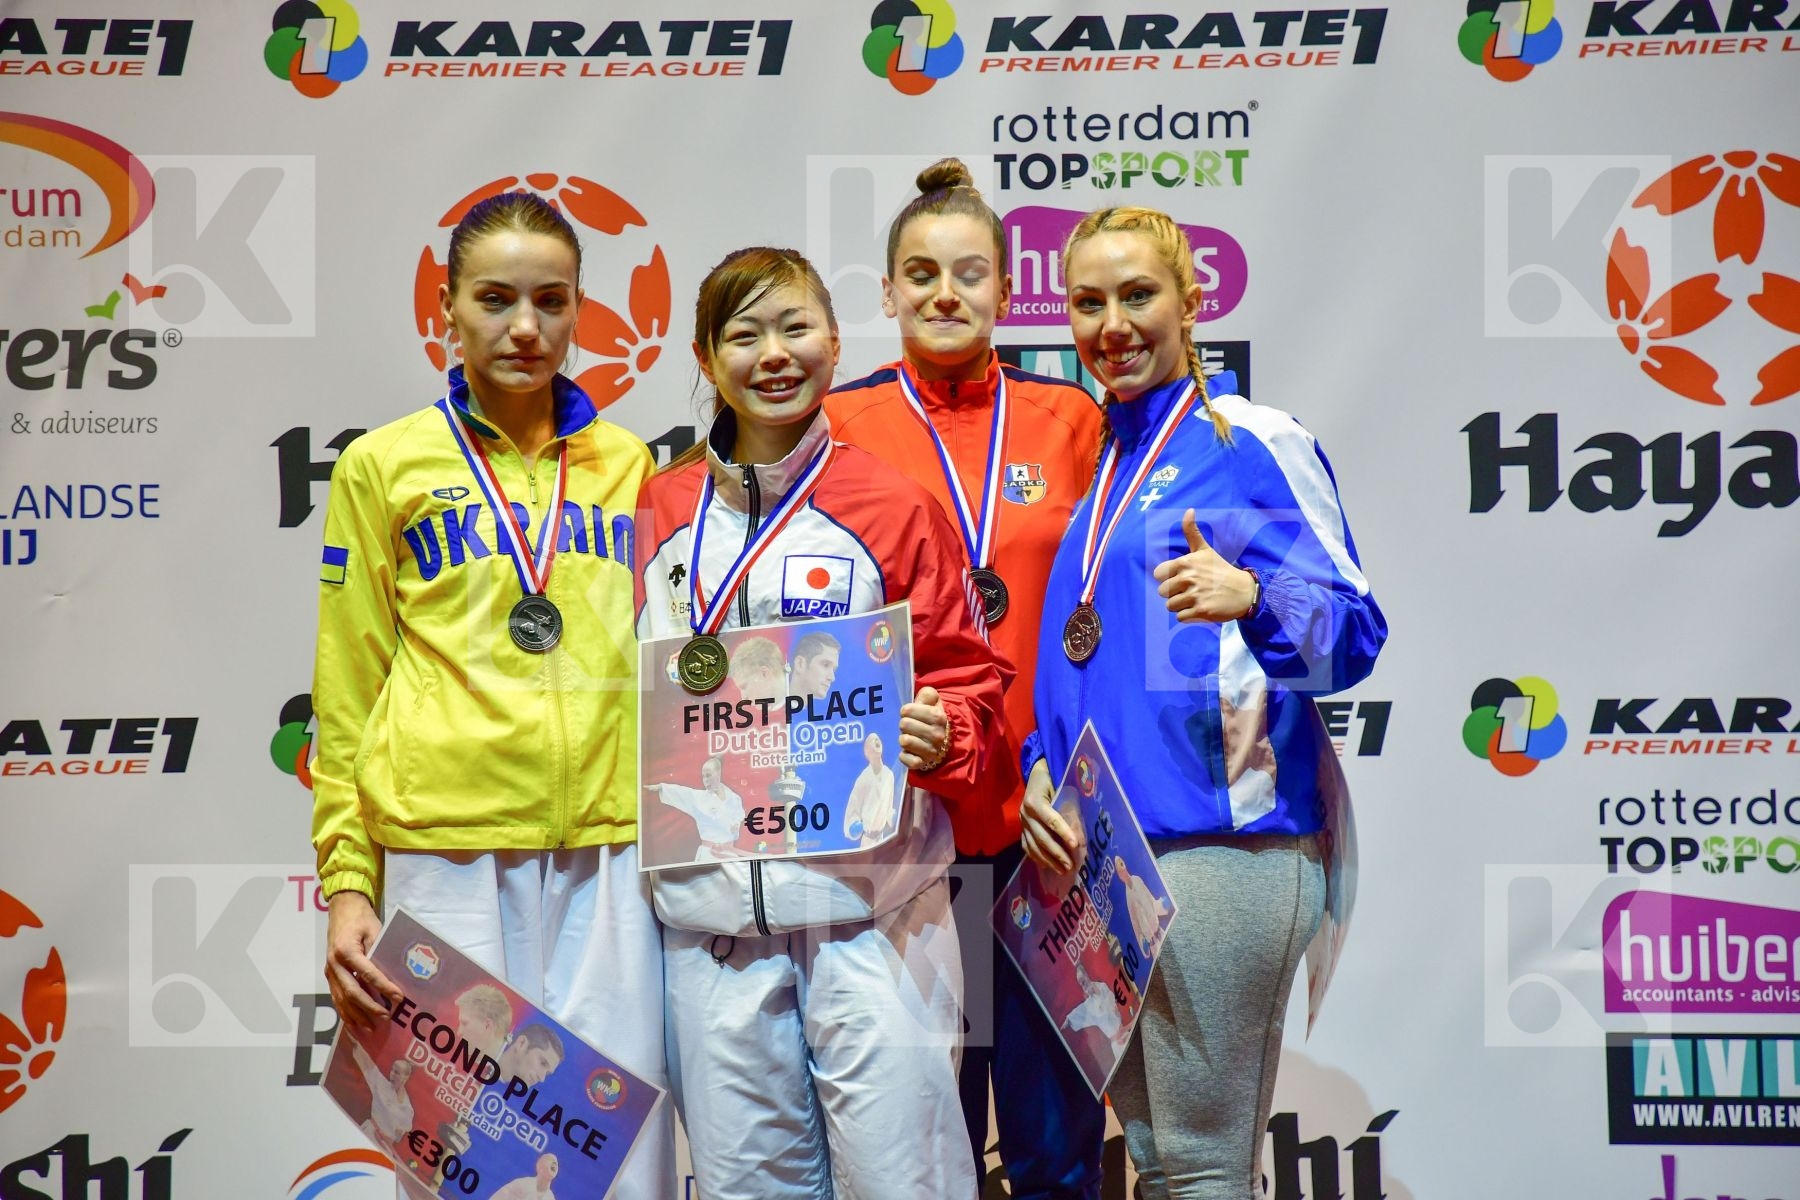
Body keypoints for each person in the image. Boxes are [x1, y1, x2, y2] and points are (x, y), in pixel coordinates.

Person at [309, 191, 672, 1198]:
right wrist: (349, 881)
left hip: (609, 854)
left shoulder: (630, 465)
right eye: (496, 299)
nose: (525, 327)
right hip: (446, 853)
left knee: (623, 1167)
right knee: (468, 1169)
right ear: (447, 307)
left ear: (579, 308)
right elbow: (347, 689)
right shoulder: (385, 466)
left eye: (552, 300)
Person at [1021, 206, 1386, 1200]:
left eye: (1138, 295)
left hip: (1226, 849)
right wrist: (1037, 774)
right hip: (1111, 863)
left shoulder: (1255, 440)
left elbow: (1355, 634)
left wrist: (1258, 596)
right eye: (1088, 302)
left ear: (1192, 301)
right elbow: (1075, 664)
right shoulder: (1102, 464)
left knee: (1200, 1166)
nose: (1113, 324)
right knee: (1160, 1163)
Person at [635, 246, 1013, 1200]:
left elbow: (968, 680)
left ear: (837, 343)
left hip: (872, 916)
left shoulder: (893, 504)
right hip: (714, 928)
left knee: (907, 1186)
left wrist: (944, 735)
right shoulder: (661, 506)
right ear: (704, 354)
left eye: (796, 327)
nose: (775, 354)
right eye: (745, 333)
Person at [826, 157, 1107, 1199]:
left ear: (1003, 286)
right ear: (889, 290)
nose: (947, 294)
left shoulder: (1069, 420)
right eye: (921, 273)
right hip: (909, 835)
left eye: (971, 273)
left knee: (1052, 1149)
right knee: (918, 1148)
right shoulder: (840, 425)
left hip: (1046, 829)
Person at [646, 755, 746, 861]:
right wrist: (661, 787)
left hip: (729, 855)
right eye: (703, 776)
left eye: (708, 775)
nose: (705, 780)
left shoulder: (734, 799)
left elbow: (737, 823)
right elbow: (682, 792)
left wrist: (735, 828)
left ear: (718, 774)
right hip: (708, 856)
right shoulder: (698, 798)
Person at [352, 1043, 415, 1148]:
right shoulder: (382, 1085)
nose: (392, 1074)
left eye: (397, 1073)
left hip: (383, 1146)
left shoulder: (408, 1109)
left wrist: (389, 1135)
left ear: (406, 1077)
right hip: (367, 1133)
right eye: (392, 1070)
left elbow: (398, 1138)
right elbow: (368, 1064)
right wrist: (354, 1042)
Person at [842, 731, 898, 848]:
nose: (877, 741)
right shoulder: (863, 779)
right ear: (866, 751)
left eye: (878, 739)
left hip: (883, 838)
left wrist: (894, 817)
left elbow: (889, 806)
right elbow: (853, 809)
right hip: (868, 841)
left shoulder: (889, 775)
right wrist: (854, 825)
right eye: (873, 740)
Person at [490, 1153, 559, 1200]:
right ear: (539, 1165)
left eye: (556, 1163)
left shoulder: (550, 1198)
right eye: (550, 1160)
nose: (554, 1163)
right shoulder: (522, 1184)